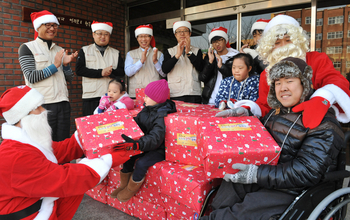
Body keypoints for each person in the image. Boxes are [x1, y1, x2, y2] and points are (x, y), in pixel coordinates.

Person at [202, 57, 344, 220]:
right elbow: (257, 142)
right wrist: (245, 117)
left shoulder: (324, 123)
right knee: (230, 185)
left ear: (304, 83)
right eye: (277, 83)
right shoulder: (275, 114)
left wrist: (256, 174)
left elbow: (307, 171)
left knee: (240, 212)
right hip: (269, 176)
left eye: (289, 81)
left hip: (296, 189)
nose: (283, 88)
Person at [0, 85, 131, 219]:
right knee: (75, 184)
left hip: (38, 204)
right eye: (36, 108)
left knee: (76, 187)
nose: (43, 111)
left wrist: (93, 132)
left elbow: (62, 149)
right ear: (22, 117)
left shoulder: (26, 141)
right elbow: (64, 180)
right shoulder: (15, 156)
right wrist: (106, 159)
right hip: (28, 215)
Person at [218, 15, 350, 130]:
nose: (284, 46)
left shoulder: (316, 60)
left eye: (288, 40)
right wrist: (248, 109)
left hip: (315, 128)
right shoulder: (267, 73)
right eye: (277, 42)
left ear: (297, 40)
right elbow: (264, 105)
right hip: (283, 131)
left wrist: (321, 98)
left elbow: (337, 83)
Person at [110, 79, 177, 202]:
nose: (144, 99)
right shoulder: (147, 109)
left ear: (157, 99)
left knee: (141, 163)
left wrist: (138, 144)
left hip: (158, 149)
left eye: (147, 96)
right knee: (128, 156)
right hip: (144, 144)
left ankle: (130, 189)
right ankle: (123, 185)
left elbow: (156, 138)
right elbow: (137, 123)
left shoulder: (161, 115)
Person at [18, 10, 78, 142]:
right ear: (38, 27)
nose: (52, 28)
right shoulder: (27, 48)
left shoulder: (59, 49)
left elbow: (70, 79)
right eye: (48, 25)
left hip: (62, 103)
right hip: (42, 105)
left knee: (62, 143)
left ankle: (61, 164)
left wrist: (66, 65)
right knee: (44, 143)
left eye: (55, 25)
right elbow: (31, 77)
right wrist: (55, 65)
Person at [76, 21, 125, 116]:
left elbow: (122, 72)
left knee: (110, 126)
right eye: (99, 33)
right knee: (91, 126)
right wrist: (100, 72)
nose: (103, 36)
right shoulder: (85, 50)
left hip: (111, 97)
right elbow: (79, 70)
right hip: (91, 96)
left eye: (106, 34)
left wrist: (111, 72)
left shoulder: (116, 53)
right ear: (93, 34)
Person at [162, 21, 204, 104]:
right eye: (179, 31)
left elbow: (200, 67)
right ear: (175, 35)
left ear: (190, 33)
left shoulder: (197, 50)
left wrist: (189, 52)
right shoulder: (170, 51)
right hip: (176, 93)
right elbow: (165, 69)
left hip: (193, 92)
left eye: (185, 31)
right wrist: (177, 55)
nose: (182, 34)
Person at [199, 27, 239, 105]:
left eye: (220, 40)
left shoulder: (235, 56)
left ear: (225, 40)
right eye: (214, 41)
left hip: (229, 100)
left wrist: (221, 67)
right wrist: (210, 62)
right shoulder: (210, 57)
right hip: (210, 99)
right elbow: (202, 78)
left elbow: (237, 78)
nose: (217, 44)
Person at [124, 24, 166, 99]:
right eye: (140, 36)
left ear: (151, 38)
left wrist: (155, 61)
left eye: (146, 36)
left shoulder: (159, 54)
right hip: (136, 92)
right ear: (137, 38)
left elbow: (164, 74)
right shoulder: (130, 54)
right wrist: (141, 61)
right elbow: (128, 72)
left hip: (154, 92)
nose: (143, 39)